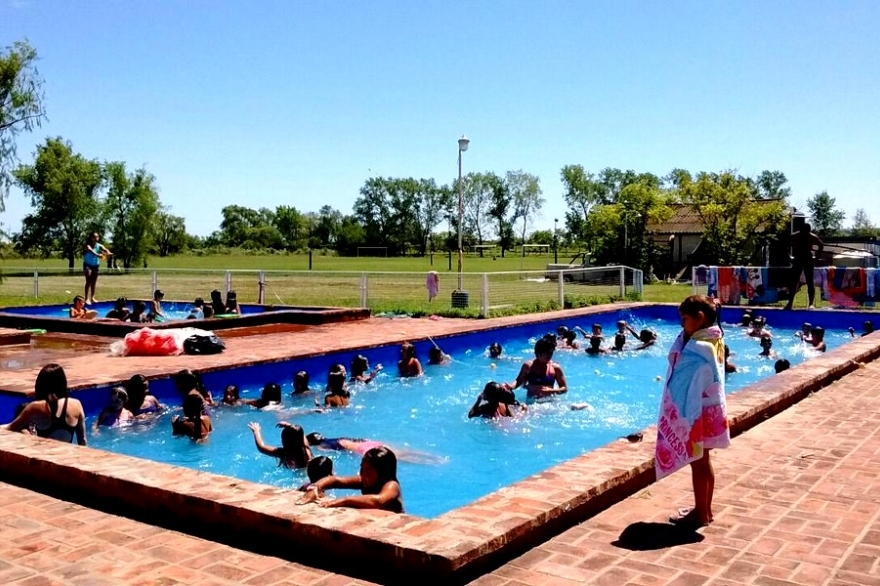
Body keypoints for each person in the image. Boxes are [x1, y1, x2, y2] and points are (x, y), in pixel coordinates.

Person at [656, 294, 730, 529]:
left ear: (699, 318)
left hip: (696, 412)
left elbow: (681, 377)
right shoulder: (714, 337)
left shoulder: (697, 347)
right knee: (704, 460)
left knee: (697, 462)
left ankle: (700, 513)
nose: (681, 325)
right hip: (712, 409)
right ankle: (705, 509)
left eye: (684, 319)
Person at [295, 446, 404, 513]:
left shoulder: (391, 485)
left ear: (383, 474)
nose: (362, 473)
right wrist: (315, 487)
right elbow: (335, 480)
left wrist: (345, 500)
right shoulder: (364, 480)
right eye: (362, 467)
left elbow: (379, 500)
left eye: (368, 471)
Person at [4, 363, 87, 445]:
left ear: (40, 385)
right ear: (63, 383)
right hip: (66, 457)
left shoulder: (34, 407)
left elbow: (9, 430)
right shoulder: (76, 404)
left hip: (44, 456)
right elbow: (83, 441)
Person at [784, 222, 823, 310]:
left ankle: (811, 304)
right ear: (801, 230)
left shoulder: (812, 237)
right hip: (798, 258)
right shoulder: (794, 236)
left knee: (810, 281)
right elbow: (785, 245)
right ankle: (790, 303)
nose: (805, 233)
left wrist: (816, 258)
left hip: (808, 259)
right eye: (804, 231)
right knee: (794, 281)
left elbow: (821, 245)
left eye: (807, 232)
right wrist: (789, 257)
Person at [247, 421, 312, 469]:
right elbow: (300, 434)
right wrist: (289, 425)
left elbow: (261, 447)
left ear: (284, 441)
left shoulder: (283, 453)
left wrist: (256, 431)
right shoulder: (306, 451)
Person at [83, 232, 112, 304]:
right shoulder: (87, 246)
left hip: (95, 266)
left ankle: (92, 297)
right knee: (88, 281)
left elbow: (105, 249)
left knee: (93, 282)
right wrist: (98, 255)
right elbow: (91, 251)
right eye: (95, 237)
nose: (96, 238)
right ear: (91, 238)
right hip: (87, 265)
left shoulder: (99, 245)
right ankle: (86, 298)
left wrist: (108, 252)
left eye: (97, 237)